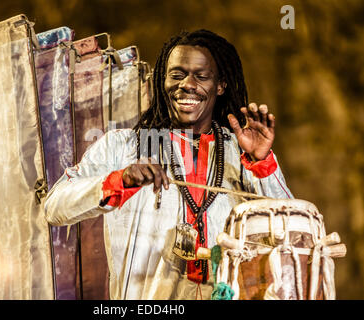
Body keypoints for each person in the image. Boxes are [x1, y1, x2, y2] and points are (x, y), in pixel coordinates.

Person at [44, 29, 293, 300]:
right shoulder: (123, 146)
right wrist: (120, 180)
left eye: (201, 76)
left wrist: (260, 162)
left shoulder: (242, 151)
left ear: (220, 85)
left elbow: (290, 231)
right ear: (163, 81)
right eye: (177, 74)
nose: (188, 84)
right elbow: (55, 207)